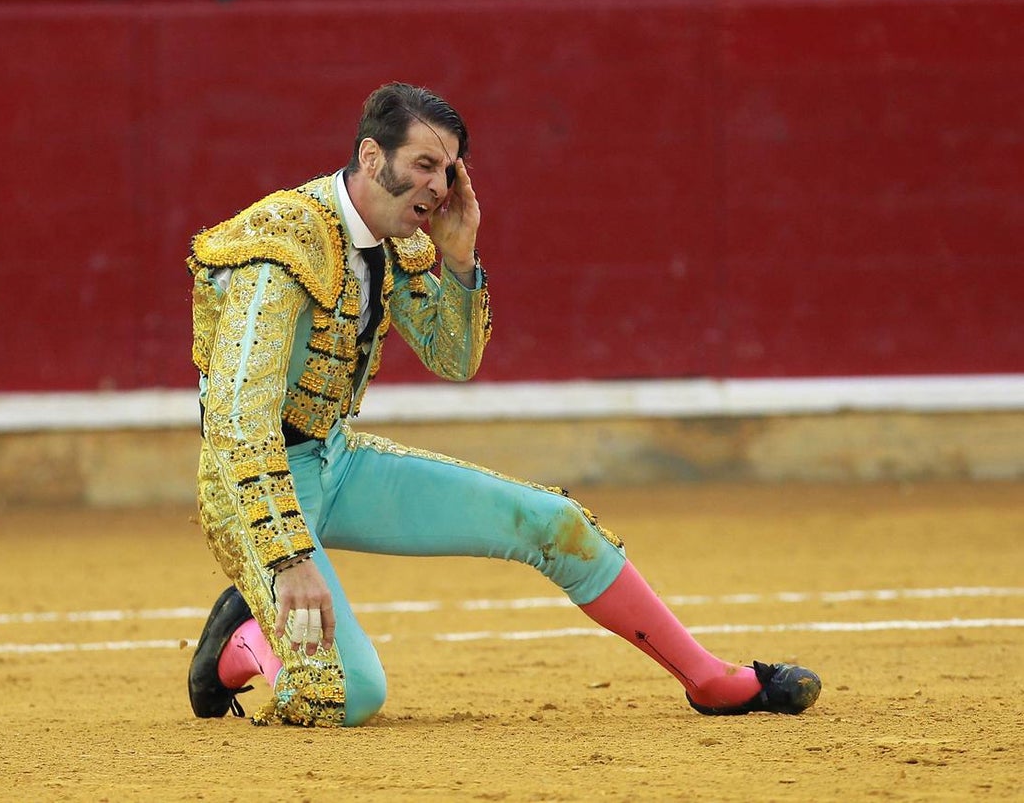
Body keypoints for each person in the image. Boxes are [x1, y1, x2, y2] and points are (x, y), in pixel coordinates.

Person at [185, 82, 821, 728]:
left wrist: (459, 258)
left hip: (335, 461)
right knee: (344, 691)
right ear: (373, 158)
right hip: (251, 489)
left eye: (449, 169)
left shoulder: (393, 239)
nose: (438, 186)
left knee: (554, 520)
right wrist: (289, 557)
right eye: (425, 165)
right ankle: (234, 649)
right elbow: (239, 421)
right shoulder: (281, 241)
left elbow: (452, 359)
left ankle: (710, 679)